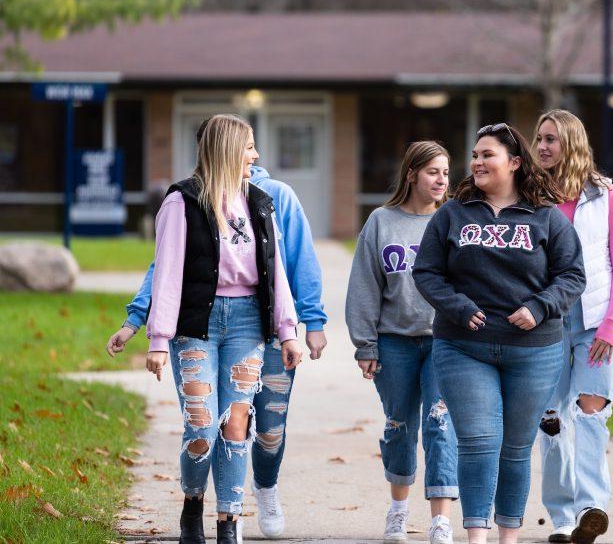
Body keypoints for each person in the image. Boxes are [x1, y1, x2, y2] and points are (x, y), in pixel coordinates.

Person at [106, 118, 328, 539]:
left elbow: (276, 272)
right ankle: (193, 504)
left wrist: (289, 332)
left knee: (235, 423)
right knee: (202, 425)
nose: (256, 156)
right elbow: (166, 273)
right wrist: (154, 337)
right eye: (249, 147)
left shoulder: (261, 202)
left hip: (247, 324)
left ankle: (229, 520)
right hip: (197, 326)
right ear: (227, 149)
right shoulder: (181, 202)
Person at [413, 123, 586, 544]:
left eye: (487, 154)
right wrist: (458, 306)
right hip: (463, 346)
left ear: (514, 163)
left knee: (515, 447)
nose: (476, 162)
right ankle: (477, 536)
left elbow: (572, 275)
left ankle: (508, 535)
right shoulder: (452, 213)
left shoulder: (546, 216)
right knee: (477, 441)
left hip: (533, 350)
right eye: (474, 155)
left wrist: (538, 307)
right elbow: (427, 272)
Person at [345, 141, 458, 544]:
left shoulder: (452, 220)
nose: (441, 180)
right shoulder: (381, 221)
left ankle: (441, 519)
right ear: (411, 174)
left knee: (441, 424)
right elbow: (364, 286)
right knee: (399, 426)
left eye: (446, 172)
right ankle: (398, 511)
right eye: (433, 172)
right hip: (394, 342)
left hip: (445, 341)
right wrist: (365, 345)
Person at [532, 110, 613, 544]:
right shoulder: (530, 198)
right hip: (548, 323)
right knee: (551, 418)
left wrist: (610, 325)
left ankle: (592, 508)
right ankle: (562, 516)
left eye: (551, 139)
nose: (542, 147)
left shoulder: (607, 196)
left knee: (591, 415)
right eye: (539, 139)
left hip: (594, 323)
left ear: (571, 143)